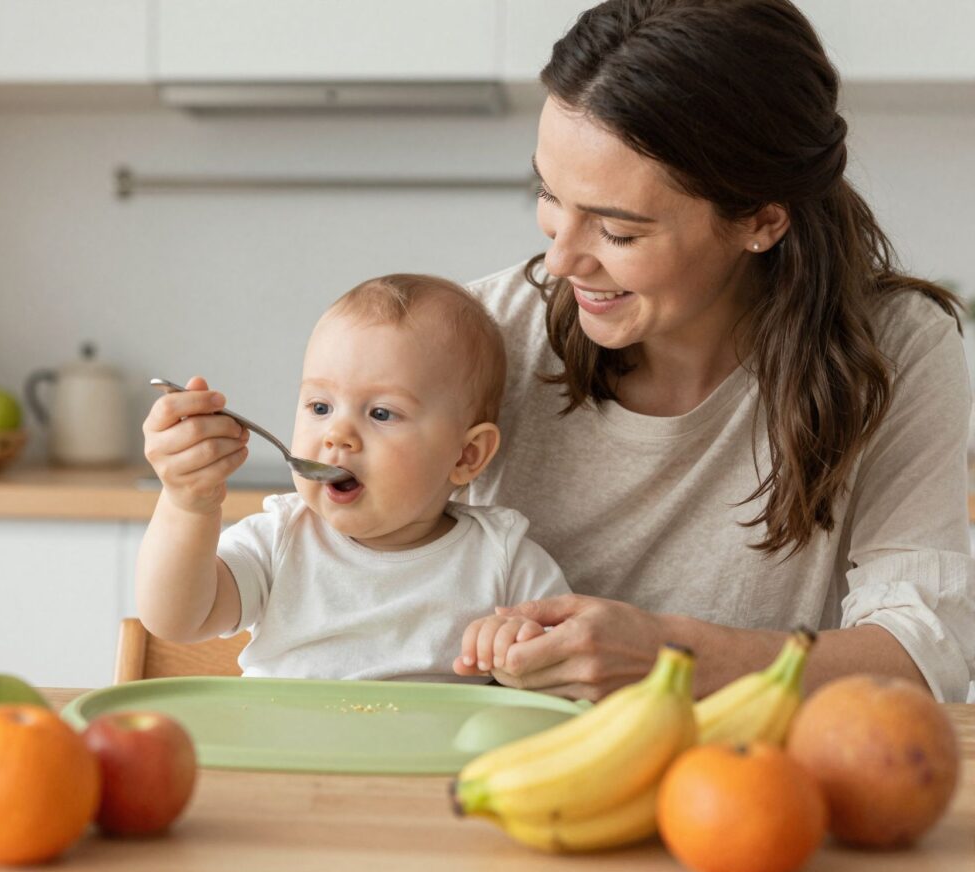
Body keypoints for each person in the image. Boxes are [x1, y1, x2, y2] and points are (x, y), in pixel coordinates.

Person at [451, 0, 974, 703]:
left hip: (765, 788)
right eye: (549, 195)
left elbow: (921, 646)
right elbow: (325, 549)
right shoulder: (483, 331)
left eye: (619, 232)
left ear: (759, 220)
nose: (562, 258)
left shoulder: (898, 349)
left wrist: (673, 658)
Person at [135, 274, 570, 681]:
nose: (337, 434)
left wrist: (524, 651)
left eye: (381, 413)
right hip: (281, 758)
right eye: (320, 407)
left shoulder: (505, 561)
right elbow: (176, 618)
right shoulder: (279, 540)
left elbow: (566, 668)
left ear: (467, 455)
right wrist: (187, 505)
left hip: (429, 764)